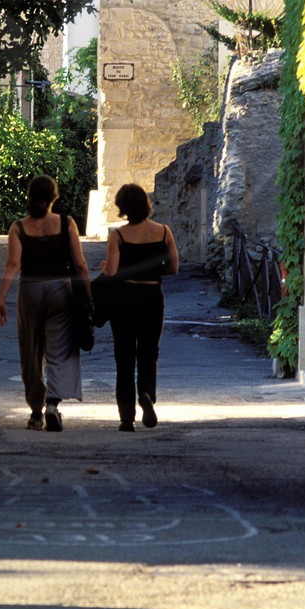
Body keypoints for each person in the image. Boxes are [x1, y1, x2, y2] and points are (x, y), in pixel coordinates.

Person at [0, 174, 92, 432]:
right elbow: (80, 263)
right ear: (54, 197)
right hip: (61, 289)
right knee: (59, 349)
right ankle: (52, 405)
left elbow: (13, 264)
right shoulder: (66, 223)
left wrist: (1, 299)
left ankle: (36, 413)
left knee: (31, 351)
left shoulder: (19, 227)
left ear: (29, 197)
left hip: (30, 291)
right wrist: (90, 295)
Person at [102, 183, 179, 431]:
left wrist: (106, 267)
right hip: (152, 295)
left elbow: (111, 271)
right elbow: (174, 267)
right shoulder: (164, 232)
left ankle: (126, 418)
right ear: (146, 205)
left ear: (123, 207)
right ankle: (146, 393)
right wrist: (155, 271)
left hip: (124, 297)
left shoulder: (119, 235)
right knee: (149, 352)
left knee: (124, 357)